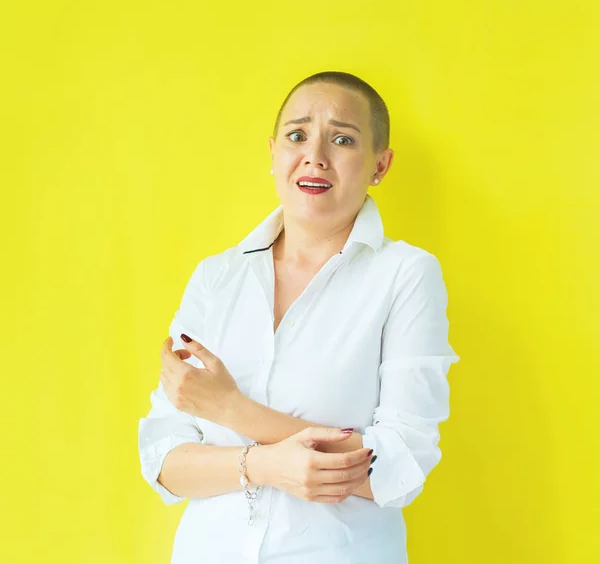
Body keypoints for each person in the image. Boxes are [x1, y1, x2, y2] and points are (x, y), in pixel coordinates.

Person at [138, 70, 460, 564]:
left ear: (381, 164)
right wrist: (262, 466)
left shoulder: (405, 275)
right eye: (297, 135)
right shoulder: (216, 278)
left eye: (343, 139)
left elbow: (397, 465)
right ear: (273, 154)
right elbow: (164, 457)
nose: (315, 155)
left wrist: (233, 412)